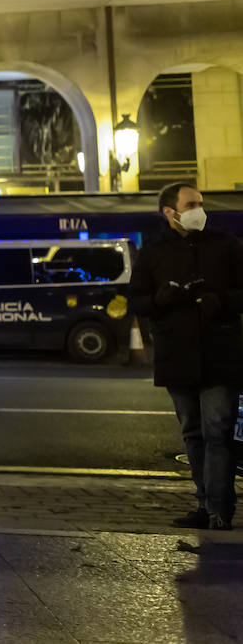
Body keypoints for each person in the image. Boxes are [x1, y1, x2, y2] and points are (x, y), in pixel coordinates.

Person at [129, 182, 243, 531]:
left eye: (200, 203)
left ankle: (219, 511)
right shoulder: (153, 252)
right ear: (170, 212)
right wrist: (163, 299)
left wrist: (219, 300)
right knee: (193, 432)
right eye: (192, 203)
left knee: (217, 431)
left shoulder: (226, 245)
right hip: (177, 356)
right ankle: (205, 503)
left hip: (220, 354)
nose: (199, 209)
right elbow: (138, 302)